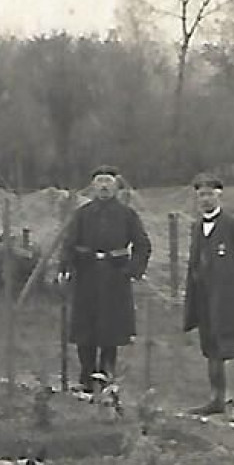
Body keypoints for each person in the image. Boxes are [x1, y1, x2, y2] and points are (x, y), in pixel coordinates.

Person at [57, 166, 151, 396]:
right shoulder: (83, 214)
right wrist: (66, 267)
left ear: (116, 185)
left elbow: (143, 246)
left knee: (111, 330)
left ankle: (107, 376)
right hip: (86, 276)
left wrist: (131, 270)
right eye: (99, 181)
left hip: (114, 278)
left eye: (108, 181)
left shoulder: (127, 215)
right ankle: (86, 377)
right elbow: (69, 244)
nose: (104, 186)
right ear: (93, 185)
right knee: (85, 329)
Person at [182, 172, 234, 415]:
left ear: (220, 195)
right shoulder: (196, 228)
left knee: (228, 348)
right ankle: (215, 399)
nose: (205, 199)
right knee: (210, 349)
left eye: (210, 194)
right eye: (201, 195)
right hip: (203, 299)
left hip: (227, 299)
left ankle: (231, 402)